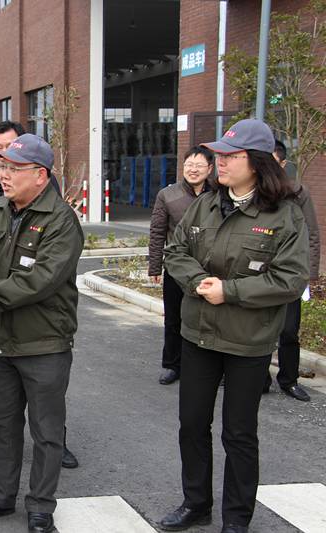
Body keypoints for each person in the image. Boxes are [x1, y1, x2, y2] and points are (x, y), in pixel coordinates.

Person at [160, 119, 309, 533]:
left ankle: (237, 518)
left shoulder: (284, 214)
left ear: (257, 162)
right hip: (198, 334)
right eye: (219, 156)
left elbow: (290, 279)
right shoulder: (205, 204)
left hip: (248, 341)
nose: (219, 162)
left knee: (239, 433)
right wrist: (196, 280)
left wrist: (230, 291)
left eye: (231, 156)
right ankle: (196, 503)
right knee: (192, 424)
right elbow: (176, 251)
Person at [0, 133, 84, 533]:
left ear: (40, 175)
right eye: (1, 166)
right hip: (1, 340)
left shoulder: (61, 220)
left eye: (14, 168)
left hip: (44, 342)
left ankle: (41, 505)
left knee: (46, 430)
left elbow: (41, 280)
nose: (3, 174)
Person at [149, 147, 214, 385]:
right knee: (174, 319)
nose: (193, 170)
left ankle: (207, 367)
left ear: (210, 168)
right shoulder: (168, 195)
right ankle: (172, 365)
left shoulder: (218, 194)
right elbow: (157, 232)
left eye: (199, 165)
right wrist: (155, 266)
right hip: (177, 268)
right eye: (189, 165)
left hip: (209, 269)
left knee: (208, 319)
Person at [264, 140, 320, 401]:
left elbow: (312, 234)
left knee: (288, 331)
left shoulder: (298, 192)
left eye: (272, 162)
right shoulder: (254, 192)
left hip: (289, 273)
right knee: (259, 329)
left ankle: (288, 380)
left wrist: (310, 275)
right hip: (259, 273)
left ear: (283, 163)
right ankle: (260, 379)